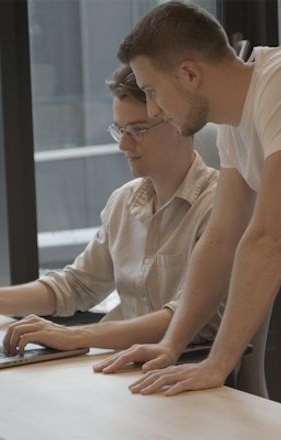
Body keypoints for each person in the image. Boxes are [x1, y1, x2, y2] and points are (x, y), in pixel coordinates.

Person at [0, 64, 220, 355]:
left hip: (184, 370)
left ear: (179, 123)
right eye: (120, 130)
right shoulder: (124, 202)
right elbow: (77, 285)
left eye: (136, 130)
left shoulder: (219, 207)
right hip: (120, 365)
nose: (123, 144)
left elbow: (187, 317)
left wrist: (79, 336)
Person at [94, 0, 281, 396]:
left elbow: (268, 239)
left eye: (152, 91)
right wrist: (171, 345)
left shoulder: (277, 87)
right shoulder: (235, 123)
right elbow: (221, 240)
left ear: (190, 74)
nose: (152, 108)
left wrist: (217, 364)